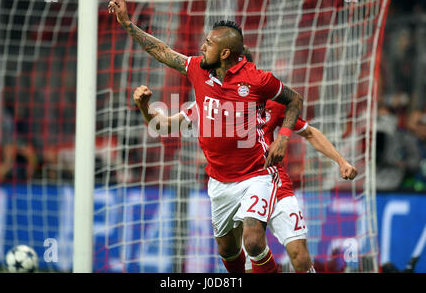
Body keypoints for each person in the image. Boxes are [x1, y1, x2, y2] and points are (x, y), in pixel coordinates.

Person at [110, 0, 303, 273]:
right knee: (227, 249)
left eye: (209, 43)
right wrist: (128, 25)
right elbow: (162, 54)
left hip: (256, 175)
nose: (202, 46)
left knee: (252, 241)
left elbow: (294, 100)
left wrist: (284, 139)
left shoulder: (257, 80)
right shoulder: (198, 74)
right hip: (219, 182)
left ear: (225, 53)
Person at [132, 80, 357, 273]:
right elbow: (163, 125)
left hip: (274, 184)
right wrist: (145, 106)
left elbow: (309, 131)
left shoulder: (269, 103)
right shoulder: (205, 103)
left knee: (298, 254)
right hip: (237, 191)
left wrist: (341, 161)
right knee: (249, 254)